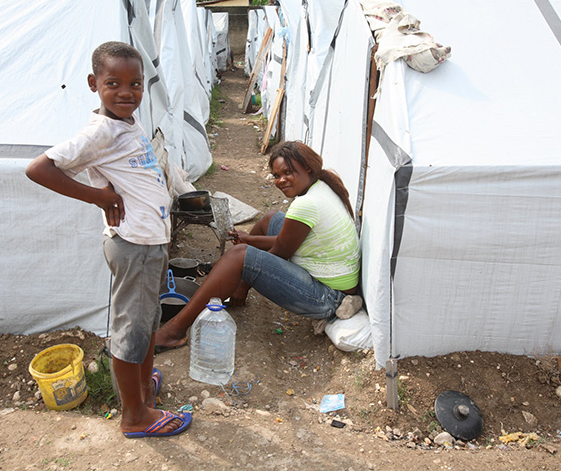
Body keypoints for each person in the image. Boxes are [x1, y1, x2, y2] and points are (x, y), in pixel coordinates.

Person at [25, 41, 191, 438]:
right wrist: (98, 196)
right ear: (93, 83)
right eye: (113, 83)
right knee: (131, 329)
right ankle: (134, 416)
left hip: (149, 243)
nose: (126, 92)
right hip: (133, 245)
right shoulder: (99, 130)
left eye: (135, 84)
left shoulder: (125, 124)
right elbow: (39, 168)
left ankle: (142, 389)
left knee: (147, 323)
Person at [155, 141, 362, 351]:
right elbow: (287, 240)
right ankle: (231, 283)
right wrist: (250, 239)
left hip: (329, 298)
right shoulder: (321, 187)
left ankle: (174, 331)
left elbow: (280, 251)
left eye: (288, 172)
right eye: (276, 176)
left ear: (307, 168)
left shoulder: (306, 205)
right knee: (271, 219)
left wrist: (244, 272)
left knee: (239, 257)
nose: (281, 181)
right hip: (331, 284)